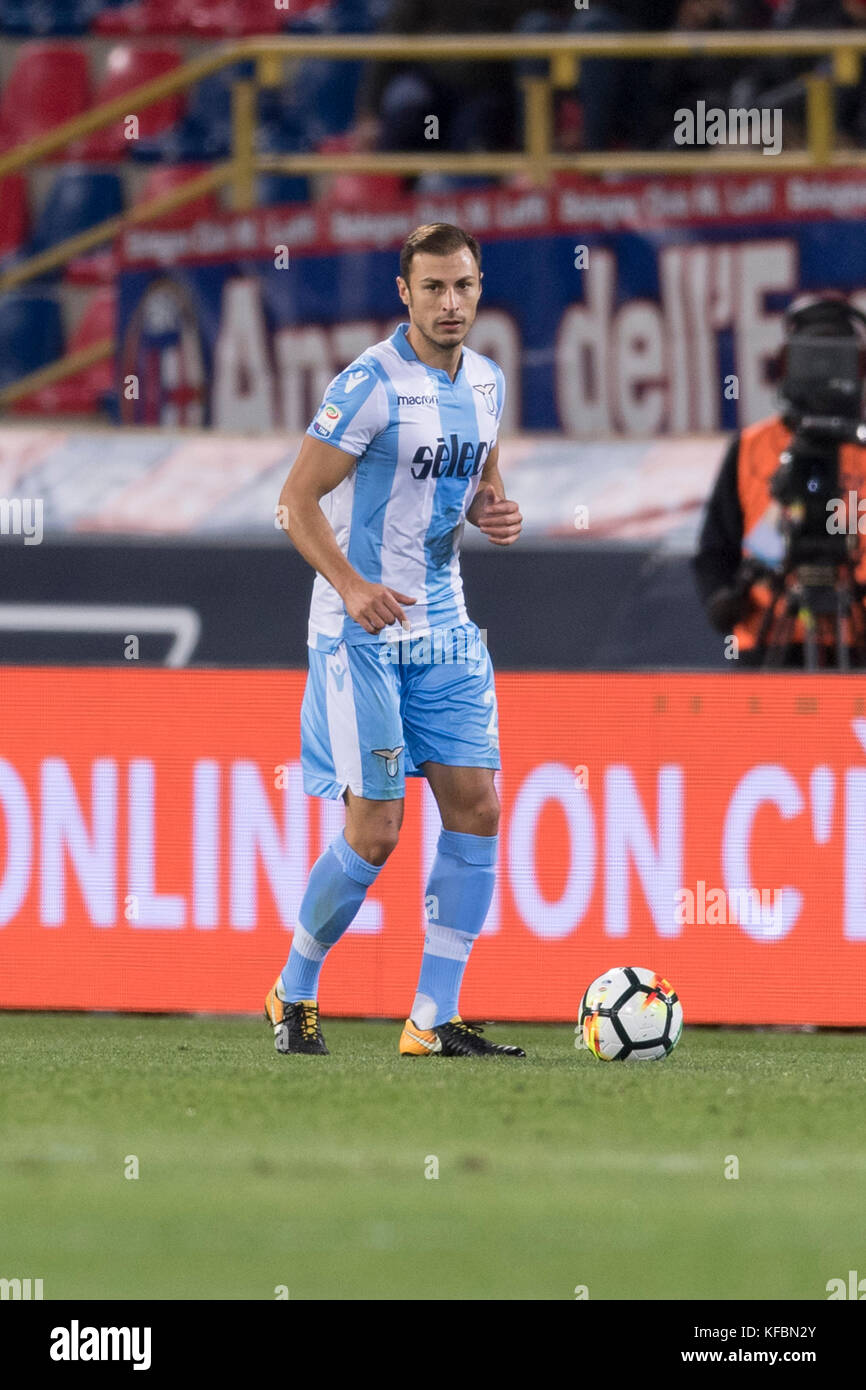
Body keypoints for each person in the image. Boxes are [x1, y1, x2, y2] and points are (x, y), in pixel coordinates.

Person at [267, 223, 526, 1058]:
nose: (451, 304)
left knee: (478, 807)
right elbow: (294, 502)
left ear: (479, 288)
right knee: (376, 827)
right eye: (434, 289)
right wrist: (351, 586)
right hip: (360, 631)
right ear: (403, 293)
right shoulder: (368, 384)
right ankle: (295, 987)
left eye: (464, 287)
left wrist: (493, 510)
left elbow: (479, 486)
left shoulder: (486, 384)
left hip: (445, 627)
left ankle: (430, 1018)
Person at [692, 293, 866, 667]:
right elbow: (715, 547)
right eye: (810, 358)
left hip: (858, 642)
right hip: (769, 642)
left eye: (838, 358)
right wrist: (722, 597)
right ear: (786, 364)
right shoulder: (751, 446)